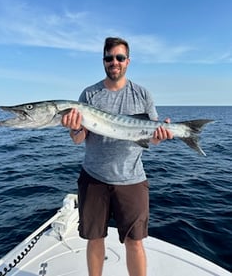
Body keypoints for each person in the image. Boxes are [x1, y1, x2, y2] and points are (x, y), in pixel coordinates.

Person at [61, 37, 173, 276]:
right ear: (103, 61)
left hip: (132, 179)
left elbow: (150, 137)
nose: (114, 62)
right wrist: (74, 128)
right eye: (109, 58)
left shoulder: (142, 94)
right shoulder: (89, 95)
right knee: (95, 239)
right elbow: (78, 139)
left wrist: (160, 135)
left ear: (128, 61)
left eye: (119, 58)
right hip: (94, 178)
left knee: (134, 241)